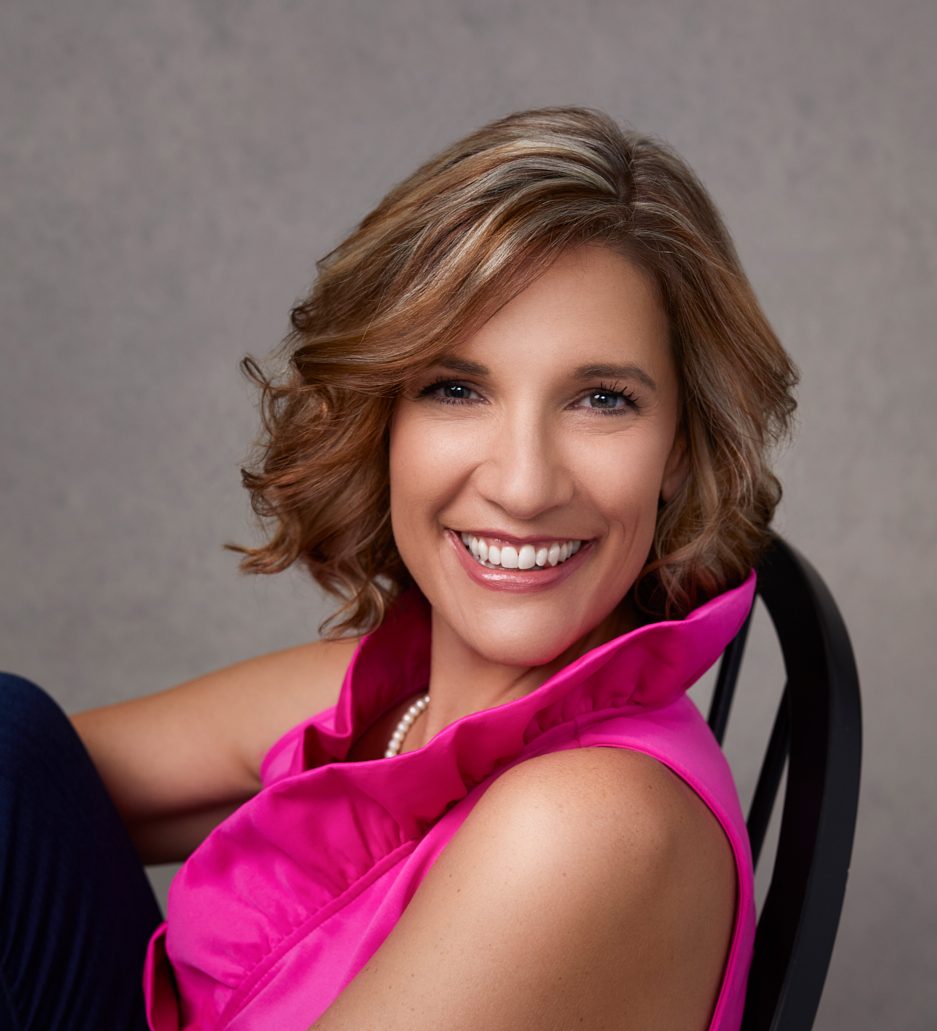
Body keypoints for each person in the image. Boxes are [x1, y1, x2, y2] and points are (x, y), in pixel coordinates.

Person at [0, 107, 797, 1030]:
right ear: (384, 421)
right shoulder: (406, 694)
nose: (523, 484)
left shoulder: (583, 824)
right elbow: (35, 791)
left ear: (679, 450)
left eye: (601, 399)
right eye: (456, 389)